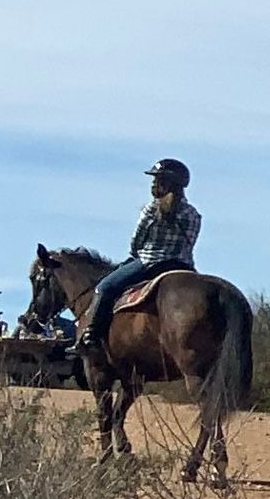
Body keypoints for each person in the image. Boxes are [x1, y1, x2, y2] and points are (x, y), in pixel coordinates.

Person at [81, 158, 202, 383]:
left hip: (150, 262)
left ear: (166, 183)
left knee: (104, 287)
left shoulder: (151, 210)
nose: (153, 184)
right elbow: (190, 243)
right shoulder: (194, 214)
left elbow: (136, 242)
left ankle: (91, 336)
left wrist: (140, 252)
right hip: (183, 266)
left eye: (156, 179)